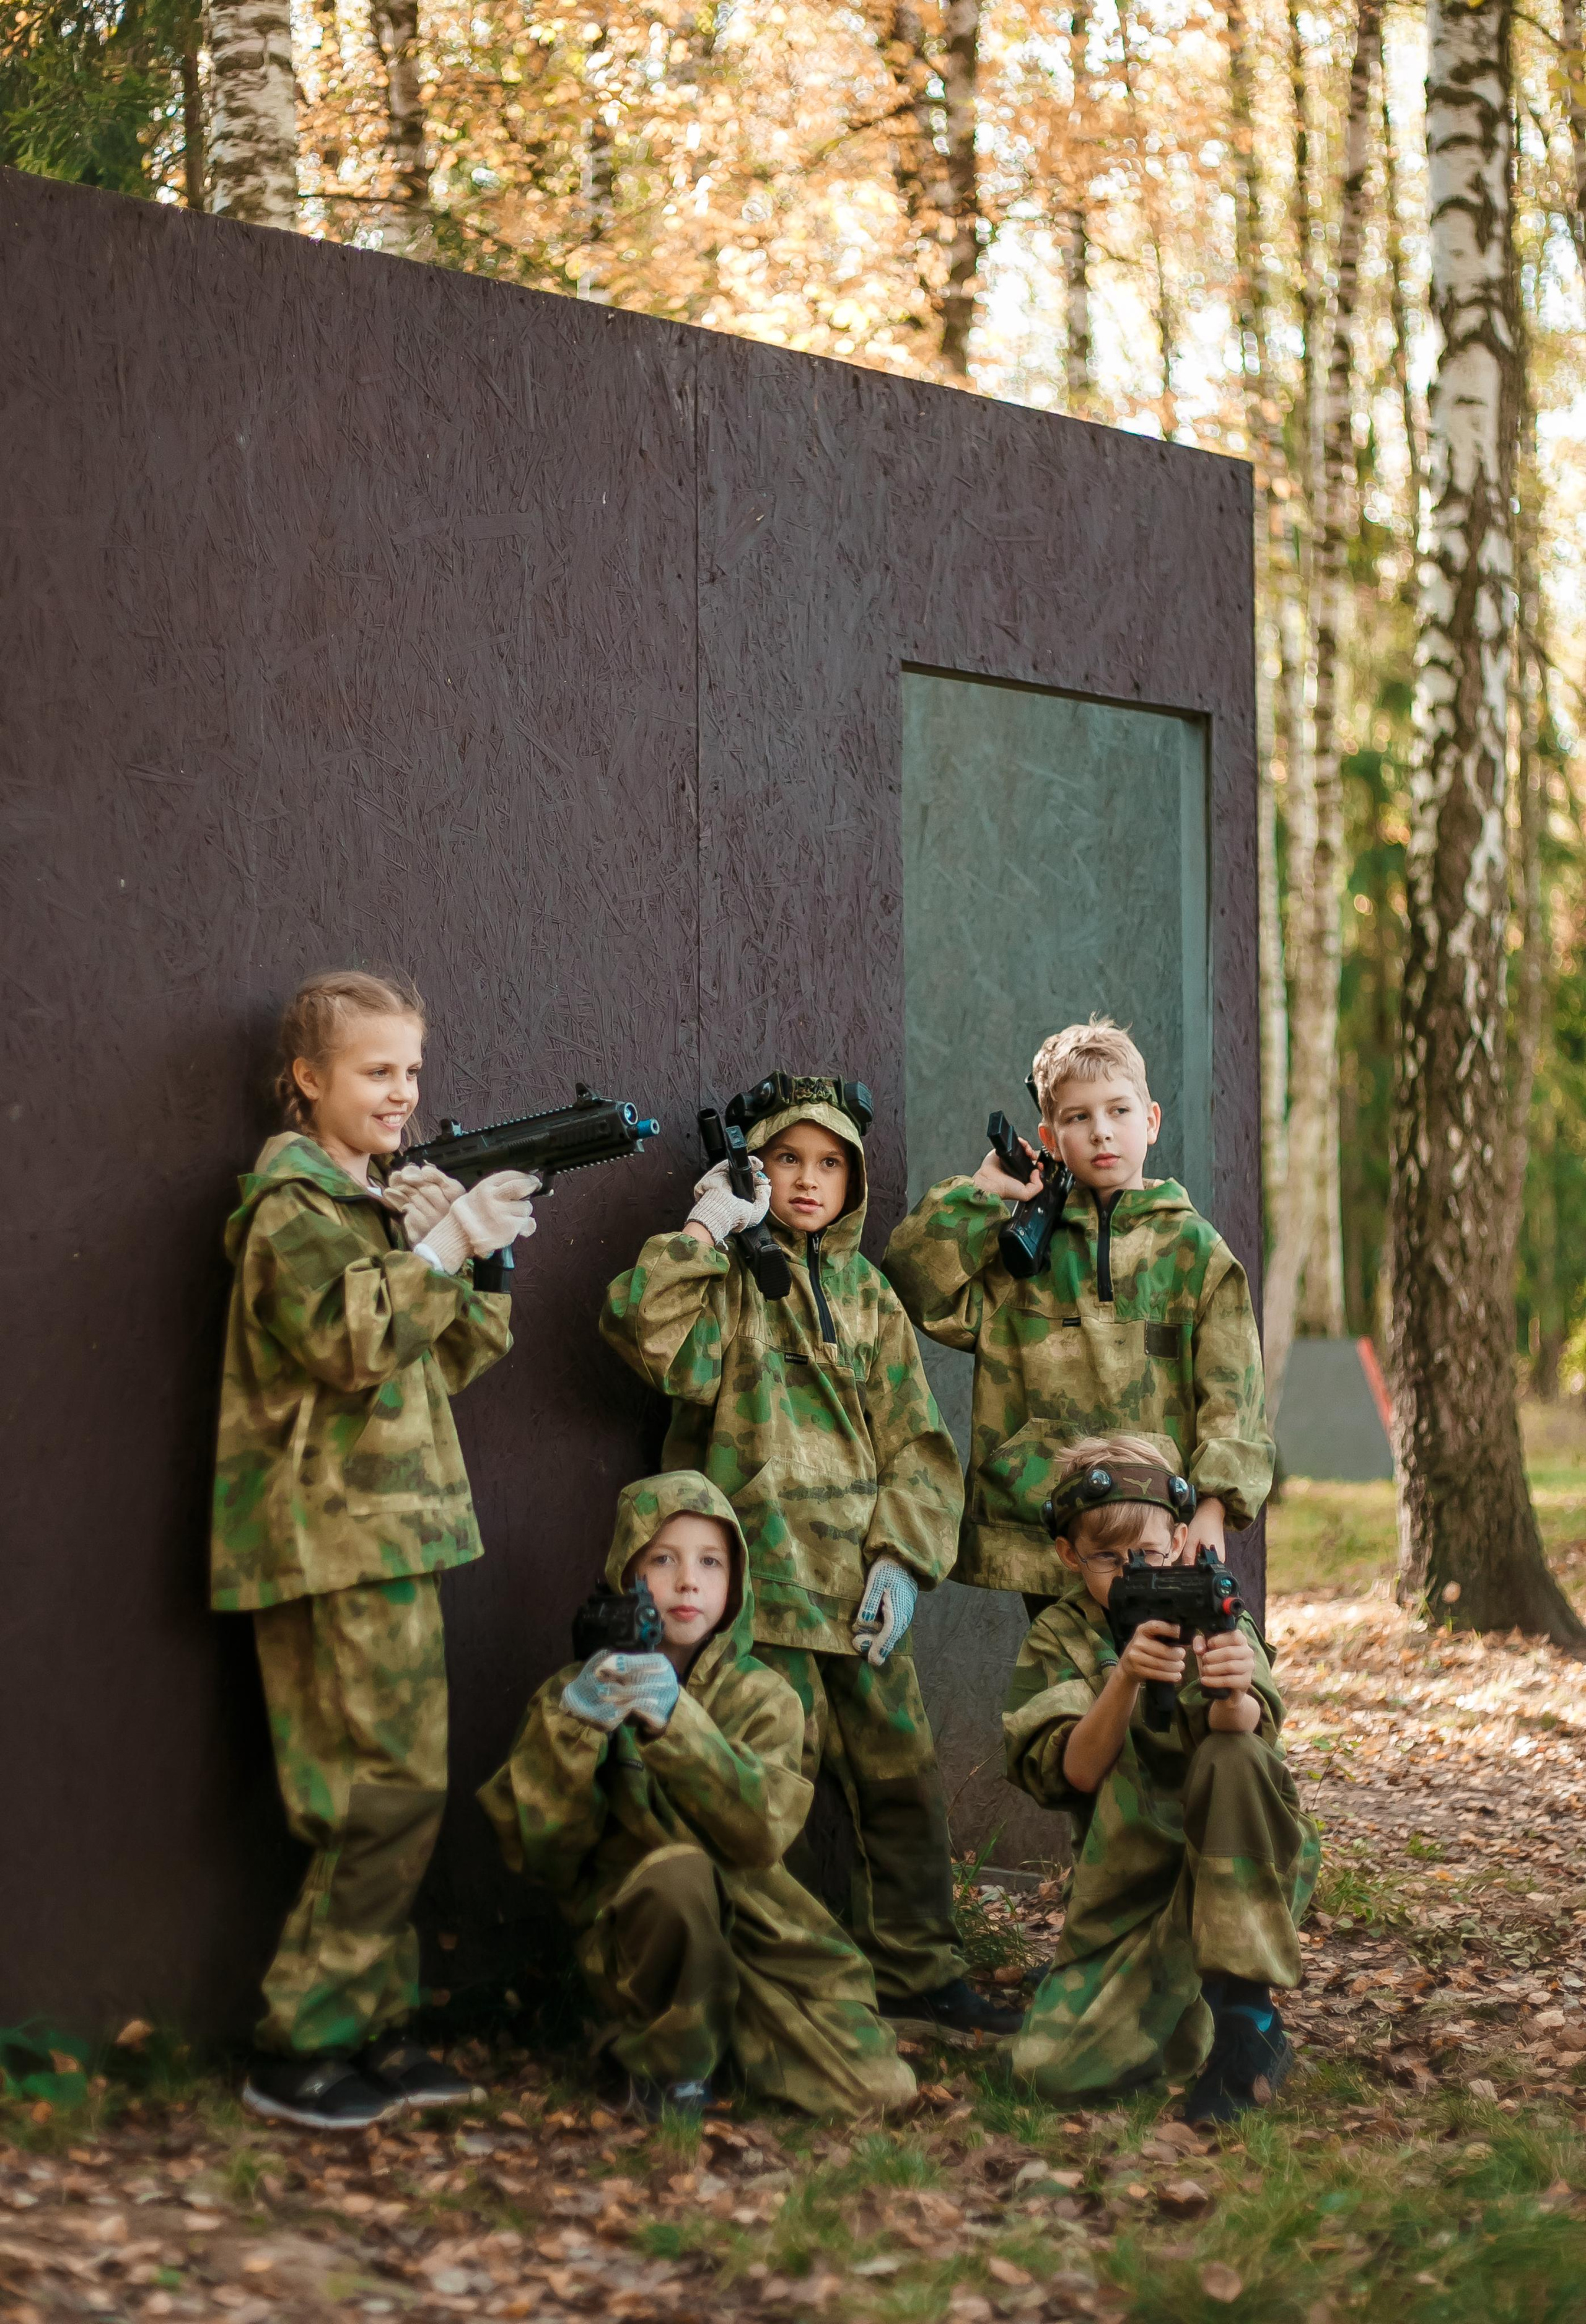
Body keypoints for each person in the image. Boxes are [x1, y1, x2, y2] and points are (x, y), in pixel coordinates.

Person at [600, 1075, 1018, 2036]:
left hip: (857, 1599)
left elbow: (918, 1446)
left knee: (903, 1786)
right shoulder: (730, 1284)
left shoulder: (869, 1298)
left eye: (829, 1163)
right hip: (756, 1603)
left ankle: (917, 1974)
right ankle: (760, 1980)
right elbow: (641, 1332)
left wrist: (903, 1563)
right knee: (761, 1795)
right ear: (754, 1166)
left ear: (854, 1180)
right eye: (786, 1157)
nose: (807, 1180)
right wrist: (709, 1229)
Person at [213, 969, 539, 2132]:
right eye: (375, 1071)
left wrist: (478, 1258)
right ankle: (300, 2045)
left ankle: (371, 2029)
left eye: (410, 1069)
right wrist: (443, 1243)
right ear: (308, 1080)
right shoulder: (289, 1212)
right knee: (372, 1799)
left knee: (397, 1794)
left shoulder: (366, 1206)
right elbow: (352, 1344)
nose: (402, 1093)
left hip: (392, 1530)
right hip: (329, 1538)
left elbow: (437, 1362)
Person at [478, 1472, 918, 2119]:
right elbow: (540, 1849)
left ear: (736, 1583)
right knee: (677, 1876)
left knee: (876, 2091)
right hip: (642, 1944)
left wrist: (672, 1719)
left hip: (761, 1941)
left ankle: (727, 2042)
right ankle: (667, 2069)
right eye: (663, 1558)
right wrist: (573, 1730)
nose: (688, 1581)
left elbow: (759, 1831)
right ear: (624, 1572)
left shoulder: (765, 1696)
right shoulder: (577, 1693)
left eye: (711, 1561)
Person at [883, 1017, 1274, 1610]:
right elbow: (915, 1286)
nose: (1101, 1133)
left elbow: (1234, 1397)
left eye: (1119, 1111)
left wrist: (1214, 1507)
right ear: (1049, 1135)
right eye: (1078, 1118)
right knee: (1060, 1694)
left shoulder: (1195, 1251)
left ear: (1152, 1120)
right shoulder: (1021, 1249)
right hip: (1046, 1525)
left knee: (1157, 1682)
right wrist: (983, 1196)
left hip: (1158, 1529)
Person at [1002, 1435, 1318, 2120]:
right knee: (1049, 2071)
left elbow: (1249, 1746)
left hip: (1234, 1860)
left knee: (1233, 1755)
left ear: (1179, 1538)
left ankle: (1247, 2019)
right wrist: (1125, 1677)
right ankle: (1193, 2005)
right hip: (1128, 1889)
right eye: (1107, 1558)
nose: (1130, 1572)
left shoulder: (1214, 1605)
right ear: (1068, 1555)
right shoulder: (1058, 1634)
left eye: (1146, 1554)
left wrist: (1233, 1692)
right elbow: (1074, 1772)